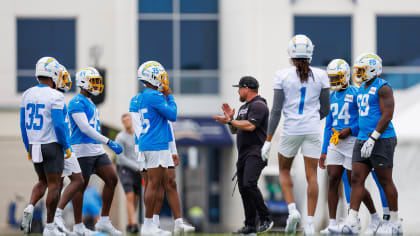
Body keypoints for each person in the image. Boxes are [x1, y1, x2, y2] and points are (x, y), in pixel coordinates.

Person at [260, 34, 330, 235]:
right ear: (310, 53)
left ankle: (292, 211)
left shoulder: (282, 75)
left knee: (283, 171)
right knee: (312, 176)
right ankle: (309, 223)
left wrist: (268, 140)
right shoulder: (322, 75)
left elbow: (276, 110)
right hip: (312, 128)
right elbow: (325, 108)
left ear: (291, 53)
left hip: (291, 129)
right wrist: (313, 119)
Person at [330, 53, 402, 234]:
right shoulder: (361, 87)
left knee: (385, 180)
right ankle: (352, 220)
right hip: (362, 139)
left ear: (373, 69)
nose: (359, 74)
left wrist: (374, 137)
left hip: (381, 139)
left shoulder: (384, 87)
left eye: (362, 70)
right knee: (355, 178)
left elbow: (388, 114)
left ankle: (394, 222)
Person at [318, 59, 381, 234]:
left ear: (345, 75)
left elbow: (365, 120)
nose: (334, 81)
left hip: (353, 140)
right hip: (336, 143)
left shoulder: (356, 92)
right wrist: (323, 150)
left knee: (354, 181)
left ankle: (363, 217)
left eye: (337, 77)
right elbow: (328, 126)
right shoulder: (331, 97)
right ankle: (332, 222)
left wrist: (351, 129)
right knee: (332, 179)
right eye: (332, 78)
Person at [214, 76, 273, 235]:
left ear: (246, 88)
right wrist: (229, 121)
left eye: (239, 88)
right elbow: (235, 130)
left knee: (249, 184)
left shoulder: (259, 105)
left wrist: (232, 121)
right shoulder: (243, 108)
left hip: (256, 152)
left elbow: (250, 125)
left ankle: (266, 218)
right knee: (244, 189)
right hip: (243, 154)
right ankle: (250, 226)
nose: (238, 92)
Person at [68, 67, 123, 236]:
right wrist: (108, 141)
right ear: (83, 82)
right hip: (82, 150)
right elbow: (84, 128)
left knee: (112, 179)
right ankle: (77, 225)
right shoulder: (76, 102)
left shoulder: (91, 102)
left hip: (96, 150)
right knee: (80, 187)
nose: (97, 85)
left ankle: (104, 221)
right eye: (94, 81)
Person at [19, 57, 72, 236]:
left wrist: (28, 147)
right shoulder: (56, 95)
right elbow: (58, 125)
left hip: (34, 143)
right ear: (53, 74)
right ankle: (49, 228)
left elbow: (22, 125)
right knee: (54, 185)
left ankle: (30, 206)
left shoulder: (26, 94)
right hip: (51, 144)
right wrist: (66, 146)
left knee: (41, 181)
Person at [135, 61, 177, 236]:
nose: (163, 80)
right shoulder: (155, 95)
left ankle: (150, 224)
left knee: (153, 185)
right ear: (151, 78)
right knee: (154, 184)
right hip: (156, 144)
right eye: (159, 76)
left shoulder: (142, 96)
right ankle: (148, 225)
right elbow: (172, 115)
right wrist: (170, 97)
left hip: (146, 142)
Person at [115, 113, 142, 234]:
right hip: (126, 169)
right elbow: (120, 158)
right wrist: (135, 166)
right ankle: (134, 224)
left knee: (136, 197)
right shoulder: (120, 137)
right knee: (129, 195)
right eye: (124, 120)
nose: (127, 122)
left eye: (128, 120)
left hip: (139, 170)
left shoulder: (139, 134)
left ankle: (130, 222)